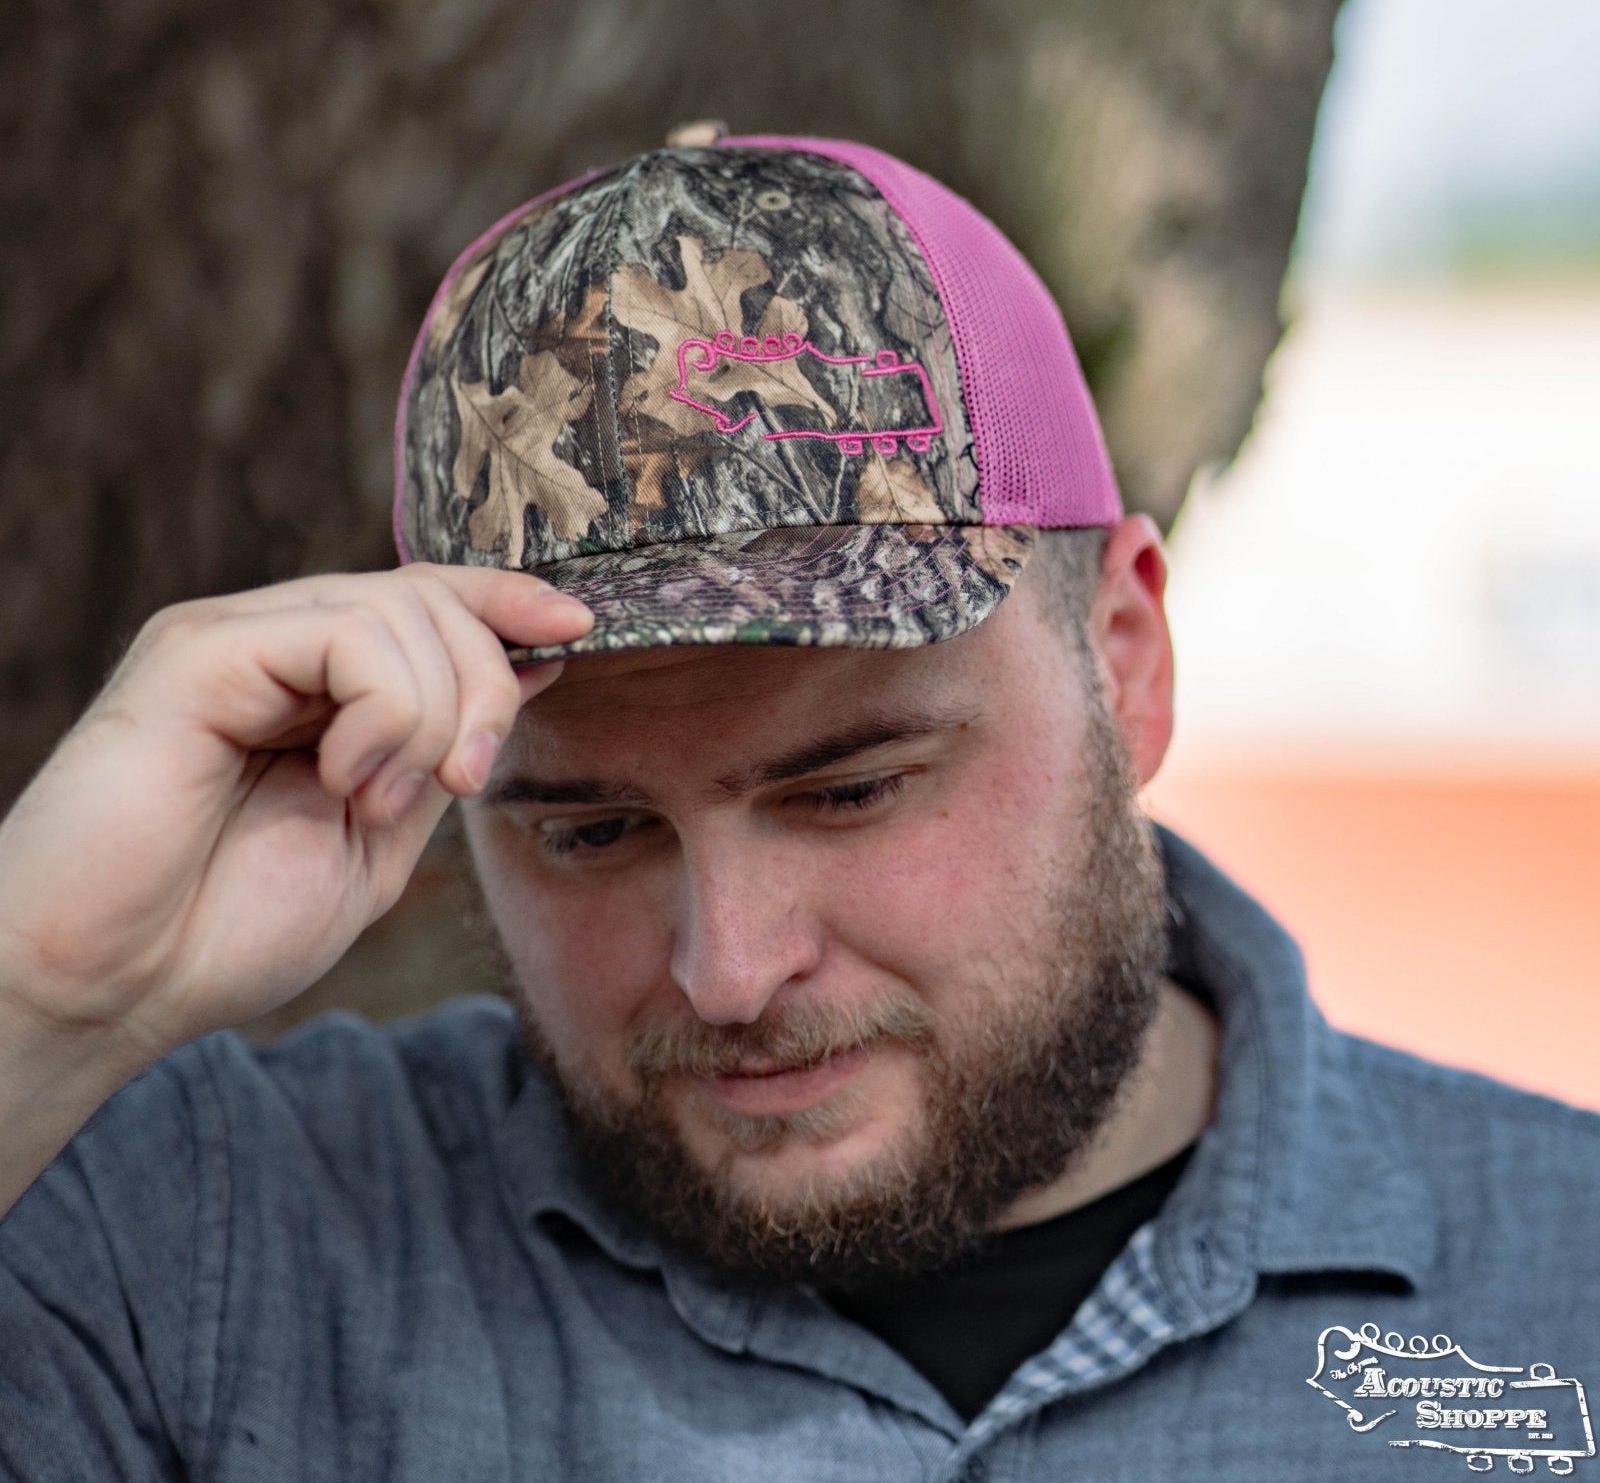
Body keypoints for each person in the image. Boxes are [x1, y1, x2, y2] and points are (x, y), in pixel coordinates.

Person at [1, 132, 1596, 1482]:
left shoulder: (1561, 1283)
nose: (730, 971)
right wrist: (41, 989)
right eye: (591, 832)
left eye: (848, 790)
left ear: (1127, 658)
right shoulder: (205, 1251)